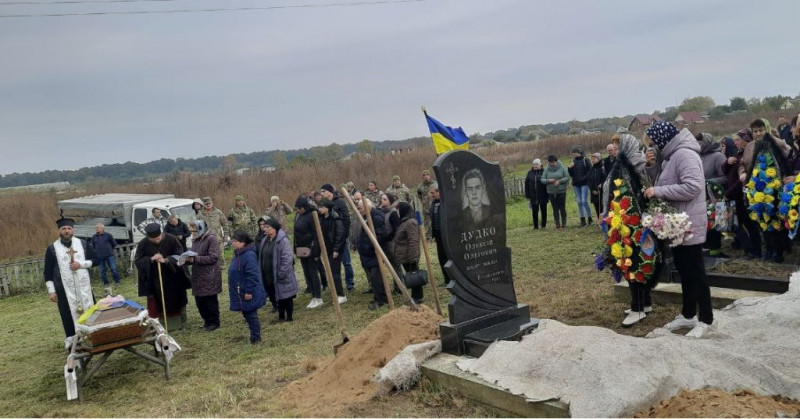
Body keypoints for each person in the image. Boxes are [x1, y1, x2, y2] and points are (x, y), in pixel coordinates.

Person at [645, 121, 712, 338]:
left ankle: (706, 319)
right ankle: (689, 313)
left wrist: (659, 191)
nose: (653, 146)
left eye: (654, 142)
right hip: (679, 224)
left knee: (695, 272)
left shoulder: (685, 154)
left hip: (689, 222)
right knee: (684, 270)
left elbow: (693, 187)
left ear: (664, 139)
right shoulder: (673, 155)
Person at [602, 134, 652, 327]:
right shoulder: (620, 164)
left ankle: (638, 307)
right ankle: (644, 303)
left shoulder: (637, 164)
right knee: (629, 262)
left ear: (628, 146)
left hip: (635, 222)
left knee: (634, 262)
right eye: (614, 144)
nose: (615, 148)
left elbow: (646, 190)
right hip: (620, 220)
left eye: (618, 144)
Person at [738, 118, 792, 263]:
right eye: (755, 131)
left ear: (766, 129)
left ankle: (778, 251)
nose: (758, 134)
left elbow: (789, 155)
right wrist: (743, 173)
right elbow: (742, 164)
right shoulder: (750, 147)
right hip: (756, 189)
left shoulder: (776, 143)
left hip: (775, 188)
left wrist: (773, 138)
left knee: (775, 219)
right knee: (761, 220)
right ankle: (768, 250)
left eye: (761, 130)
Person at [44, 218, 99, 348]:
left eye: (69, 228)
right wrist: (51, 291)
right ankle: (73, 342)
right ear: (59, 231)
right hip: (63, 289)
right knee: (67, 315)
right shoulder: (52, 249)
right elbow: (47, 272)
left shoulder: (83, 244)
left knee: (91, 310)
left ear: (73, 230)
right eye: (63, 229)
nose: (67, 231)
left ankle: (95, 336)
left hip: (84, 287)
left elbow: (97, 260)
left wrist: (81, 264)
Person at [134, 223, 191, 331]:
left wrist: (166, 260)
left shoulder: (172, 239)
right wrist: (151, 259)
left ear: (162, 234)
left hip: (173, 276)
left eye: (158, 238)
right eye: (153, 239)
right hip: (154, 278)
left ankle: (181, 323)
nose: (156, 241)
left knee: (178, 298)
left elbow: (179, 255)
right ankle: (159, 325)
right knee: (156, 301)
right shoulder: (143, 244)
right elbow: (138, 260)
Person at [228, 230, 267, 344]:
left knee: (251, 314)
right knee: (247, 313)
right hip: (240, 290)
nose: (233, 243)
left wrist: (248, 291)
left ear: (243, 242)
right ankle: (254, 336)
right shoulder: (238, 254)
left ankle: (256, 338)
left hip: (248, 291)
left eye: (236, 241)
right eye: (233, 241)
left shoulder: (248, 255)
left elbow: (253, 275)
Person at [259, 218, 299, 322]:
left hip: (281, 275)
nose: (265, 229)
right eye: (264, 227)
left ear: (275, 228)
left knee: (286, 296)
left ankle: (289, 317)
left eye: (268, 227)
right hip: (270, 275)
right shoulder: (265, 240)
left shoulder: (282, 240)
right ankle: (281, 316)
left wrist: (282, 273)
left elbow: (287, 258)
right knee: (277, 296)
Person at [186, 220, 222, 331]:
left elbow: (213, 257)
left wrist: (196, 259)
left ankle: (214, 322)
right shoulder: (196, 240)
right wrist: (187, 259)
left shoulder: (211, 239)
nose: (192, 232)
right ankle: (206, 321)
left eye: (194, 229)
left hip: (209, 274)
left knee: (210, 299)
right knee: (200, 300)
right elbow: (193, 255)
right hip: (198, 275)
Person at [696, 132, 728, 258]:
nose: (698, 145)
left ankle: (716, 251)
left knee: (716, 225)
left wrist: (708, 182)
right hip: (701, 197)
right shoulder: (697, 156)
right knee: (705, 225)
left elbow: (725, 177)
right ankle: (707, 250)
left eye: (700, 142)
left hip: (716, 197)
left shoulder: (718, 156)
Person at [320, 183, 354, 292]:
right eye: (321, 192)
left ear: (330, 191)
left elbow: (347, 220)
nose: (322, 193)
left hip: (342, 237)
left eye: (323, 191)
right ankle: (337, 286)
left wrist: (344, 236)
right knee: (334, 264)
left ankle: (350, 284)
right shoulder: (324, 204)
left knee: (346, 262)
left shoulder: (339, 202)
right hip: (331, 239)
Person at [357, 198, 390, 310]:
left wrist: (369, 247)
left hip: (375, 253)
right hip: (368, 254)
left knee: (376, 278)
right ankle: (379, 296)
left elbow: (380, 236)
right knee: (374, 277)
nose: (359, 210)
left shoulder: (376, 218)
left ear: (368, 207)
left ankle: (380, 300)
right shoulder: (366, 217)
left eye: (360, 208)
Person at [294, 194, 323, 309]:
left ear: (304, 207)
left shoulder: (312, 215)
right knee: (306, 273)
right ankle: (313, 295)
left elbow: (317, 235)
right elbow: (296, 233)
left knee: (313, 272)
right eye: (297, 208)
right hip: (301, 249)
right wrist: (295, 248)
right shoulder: (298, 216)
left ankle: (318, 297)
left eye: (299, 208)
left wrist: (316, 251)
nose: (298, 210)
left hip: (311, 249)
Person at [317, 198, 347, 304]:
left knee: (335, 272)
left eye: (321, 207)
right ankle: (335, 292)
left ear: (327, 208)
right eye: (319, 207)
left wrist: (336, 249)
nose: (319, 209)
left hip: (334, 250)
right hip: (326, 250)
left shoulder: (335, 218)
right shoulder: (320, 218)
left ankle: (341, 295)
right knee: (330, 271)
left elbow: (340, 235)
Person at [394, 202, 423, 303]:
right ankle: (415, 296)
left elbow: (413, 241)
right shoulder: (403, 222)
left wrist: (412, 258)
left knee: (414, 276)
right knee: (411, 275)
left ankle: (418, 297)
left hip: (409, 256)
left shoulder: (410, 222)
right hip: (405, 255)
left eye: (397, 210)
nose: (396, 212)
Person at [429, 182, 452, 285]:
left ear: (439, 192)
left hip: (447, 236)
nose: (431, 195)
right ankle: (446, 279)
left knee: (449, 258)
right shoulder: (433, 204)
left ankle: (453, 278)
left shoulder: (446, 202)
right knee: (441, 258)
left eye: (432, 193)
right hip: (438, 236)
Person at [198, 197, 229, 267]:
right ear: (203, 205)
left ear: (212, 203)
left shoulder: (218, 212)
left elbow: (225, 224)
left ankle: (222, 269)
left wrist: (226, 235)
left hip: (218, 238)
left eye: (209, 203)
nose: (208, 205)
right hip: (206, 239)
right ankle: (211, 267)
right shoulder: (200, 214)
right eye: (206, 204)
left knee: (220, 255)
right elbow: (197, 227)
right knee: (209, 254)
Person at [541, 155, 571, 229]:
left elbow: (567, 177)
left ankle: (564, 223)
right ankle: (557, 224)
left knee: (562, 207)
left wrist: (559, 181)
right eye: (550, 162)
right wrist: (549, 180)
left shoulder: (562, 168)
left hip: (561, 191)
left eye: (553, 162)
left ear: (556, 161)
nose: (551, 164)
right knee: (555, 208)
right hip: (551, 192)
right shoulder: (546, 170)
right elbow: (542, 180)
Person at [568, 146, 593, 226]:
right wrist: (569, 168)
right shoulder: (573, 161)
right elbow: (571, 174)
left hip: (584, 184)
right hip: (576, 184)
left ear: (579, 153)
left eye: (575, 153)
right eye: (573, 154)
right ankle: (582, 219)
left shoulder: (585, 160)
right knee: (579, 202)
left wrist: (583, 178)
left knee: (584, 201)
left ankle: (590, 218)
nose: (574, 155)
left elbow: (590, 171)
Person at [524, 159, 548, 229]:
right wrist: (528, 195)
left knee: (544, 210)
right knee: (534, 211)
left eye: (537, 164)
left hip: (543, 195)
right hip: (533, 196)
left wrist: (548, 195)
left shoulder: (544, 172)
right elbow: (526, 185)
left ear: (540, 164)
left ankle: (543, 225)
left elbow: (547, 183)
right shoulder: (529, 173)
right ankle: (535, 226)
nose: (535, 166)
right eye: (534, 164)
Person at [416, 170, 435, 240]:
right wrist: (424, 202)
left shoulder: (435, 184)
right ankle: (428, 237)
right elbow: (419, 196)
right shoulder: (420, 186)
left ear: (430, 176)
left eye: (427, 175)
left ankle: (436, 236)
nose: (426, 176)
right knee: (427, 223)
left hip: (435, 205)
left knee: (435, 221)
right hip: (426, 207)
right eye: (424, 175)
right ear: (423, 177)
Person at [587, 153, 606, 221]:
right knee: (596, 206)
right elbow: (589, 180)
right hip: (594, 192)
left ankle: (604, 221)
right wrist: (592, 190)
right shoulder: (592, 169)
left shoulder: (602, 168)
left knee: (602, 206)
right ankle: (599, 221)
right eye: (592, 159)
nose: (593, 160)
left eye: (594, 159)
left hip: (601, 191)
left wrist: (600, 189)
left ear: (599, 159)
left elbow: (604, 179)